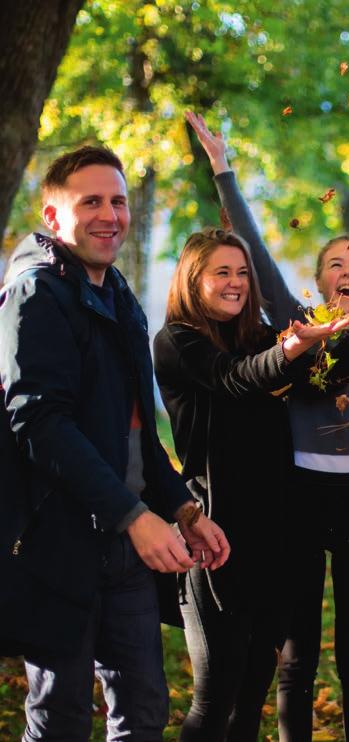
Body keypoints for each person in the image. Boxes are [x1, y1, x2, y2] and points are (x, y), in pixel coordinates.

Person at [186, 111, 349, 741]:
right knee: (297, 656)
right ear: (320, 281)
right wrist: (223, 170)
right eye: (335, 265)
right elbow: (258, 257)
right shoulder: (299, 328)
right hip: (298, 499)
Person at [0, 145, 230, 741]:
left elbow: (135, 434)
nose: (110, 215)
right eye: (91, 202)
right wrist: (135, 517)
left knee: (144, 711)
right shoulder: (35, 294)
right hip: (59, 545)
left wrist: (182, 509)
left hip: (127, 551)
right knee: (61, 720)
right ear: (53, 217)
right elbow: (41, 425)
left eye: (119, 201)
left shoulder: (117, 293)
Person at [153, 226, 349, 741]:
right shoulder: (177, 341)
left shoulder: (259, 334)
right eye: (222, 272)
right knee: (215, 698)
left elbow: (323, 377)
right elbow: (236, 377)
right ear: (192, 279)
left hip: (275, 537)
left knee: (251, 695)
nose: (236, 282)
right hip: (214, 534)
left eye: (242, 272)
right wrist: (291, 347)